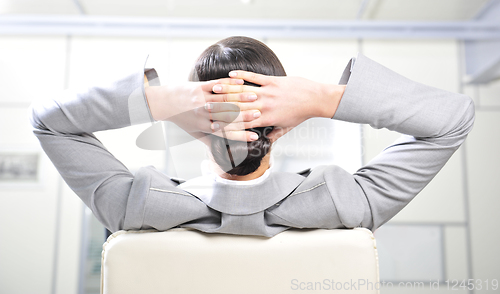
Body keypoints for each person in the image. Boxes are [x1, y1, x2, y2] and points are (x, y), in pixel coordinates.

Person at [30, 36, 475, 237]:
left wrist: (163, 101)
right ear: (282, 121)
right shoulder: (343, 204)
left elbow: (47, 119)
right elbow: (452, 120)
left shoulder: (137, 208)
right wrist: (324, 98)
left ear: (196, 124)